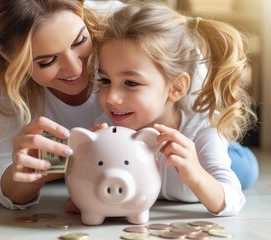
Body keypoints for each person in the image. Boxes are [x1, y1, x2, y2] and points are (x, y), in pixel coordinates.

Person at [0, 0, 258, 209]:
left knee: (236, 172)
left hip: (172, 127)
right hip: (68, 148)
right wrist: (48, 169)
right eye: (46, 61)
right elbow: (1, 165)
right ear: (7, 57)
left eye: (79, 41)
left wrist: (199, 166)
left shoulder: (128, 28)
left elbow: (202, 113)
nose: (76, 70)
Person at [93, 1, 258, 215]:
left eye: (131, 83)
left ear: (176, 88)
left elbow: (233, 200)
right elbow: (82, 200)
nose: (112, 98)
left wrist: (196, 174)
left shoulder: (202, 131)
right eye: (105, 80)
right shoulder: (107, 129)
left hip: (217, 144)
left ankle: (233, 148)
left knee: (246, 169)